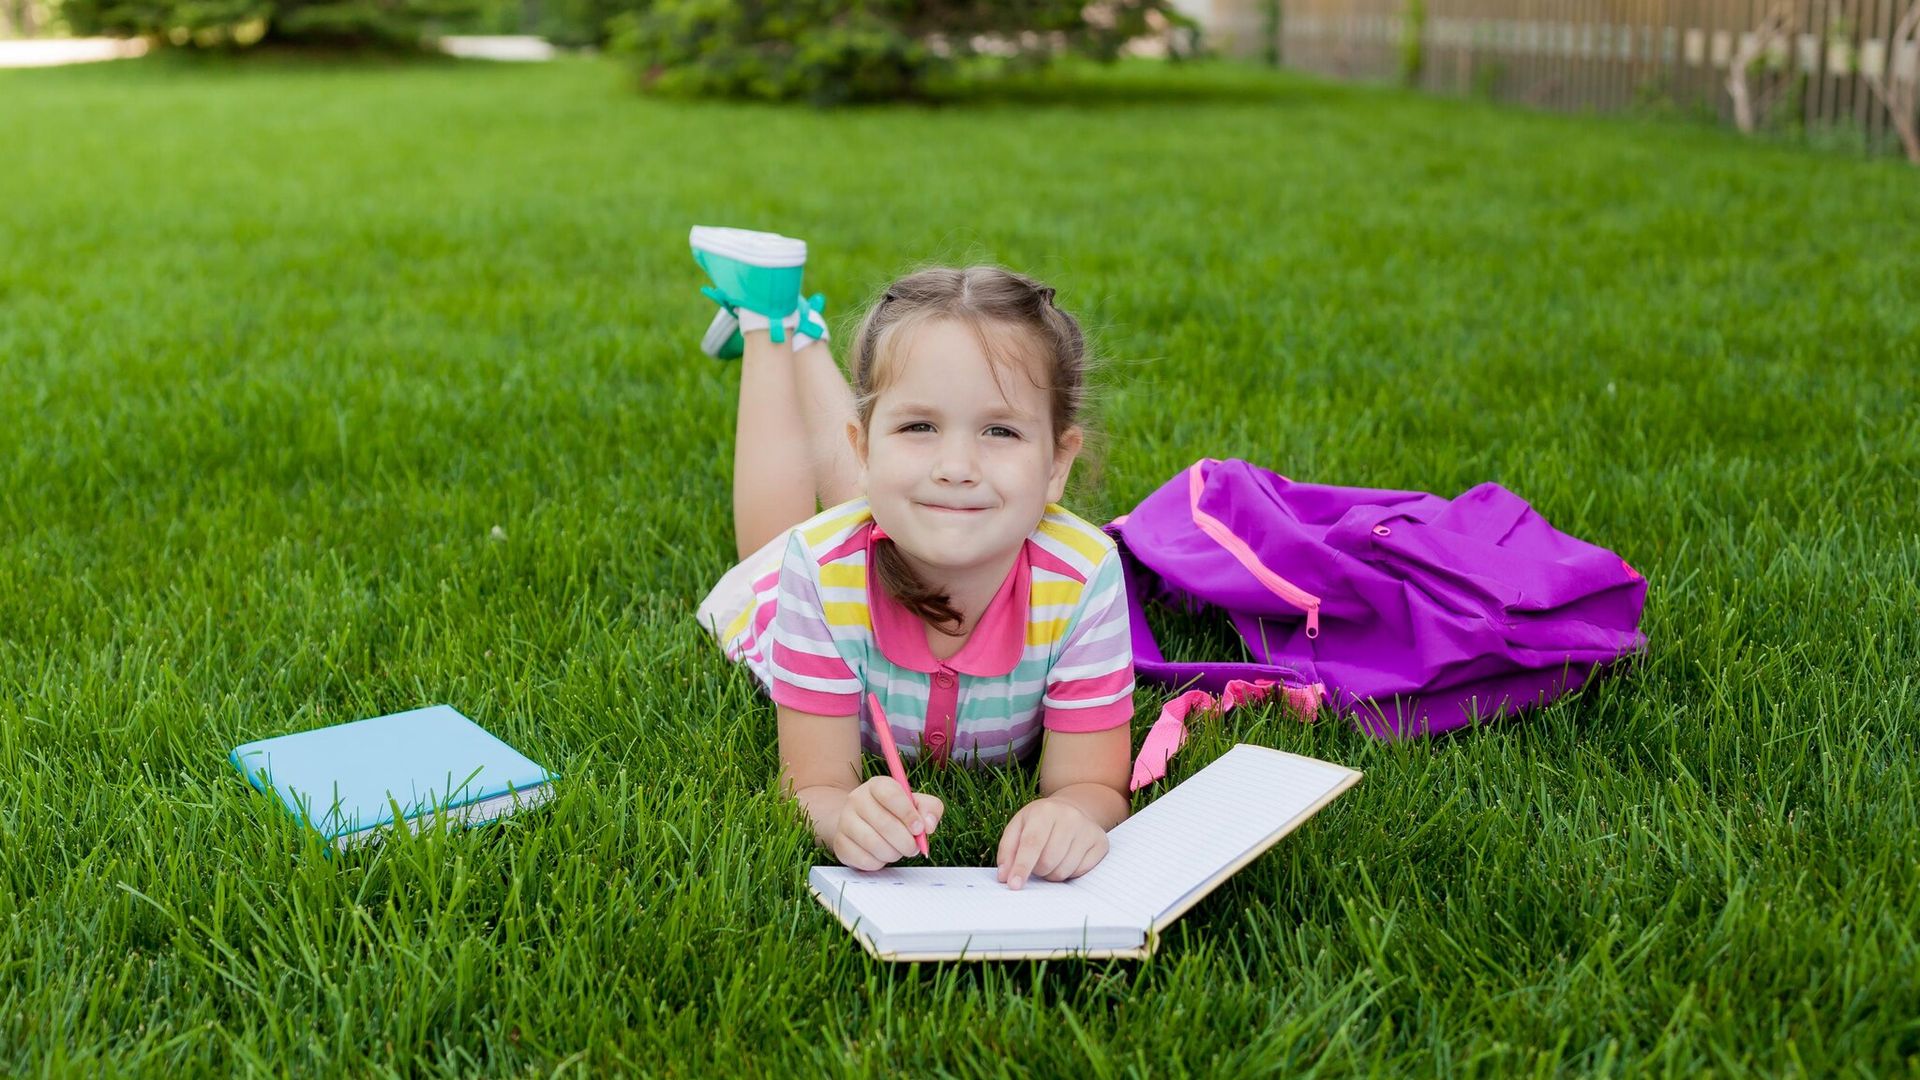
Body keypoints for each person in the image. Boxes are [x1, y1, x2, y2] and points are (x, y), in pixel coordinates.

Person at [689, 226, 1134, 890]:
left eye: (1001, 430)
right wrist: (841, 816)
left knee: (913, 496)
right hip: (793, 589)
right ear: (860, 448)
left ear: (1057, 464)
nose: (958, 466)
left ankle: (805, 329)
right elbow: (810, 785)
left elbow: (1093, 783)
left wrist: (1070, 812)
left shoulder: (1085, 576)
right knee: (771, 546)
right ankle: (766, 319)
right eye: (920, 426)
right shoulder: (815, 571)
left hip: (887, 524)